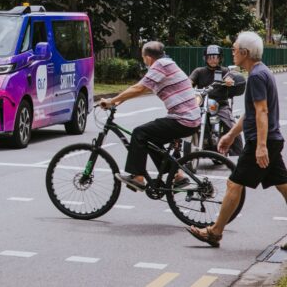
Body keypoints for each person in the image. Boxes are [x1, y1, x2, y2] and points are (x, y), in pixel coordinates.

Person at [187, 32, 287, 247]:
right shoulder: (260, 72)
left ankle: (214, 232)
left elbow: (262, 111)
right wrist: (231, 135)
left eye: (234, 49)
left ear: (245, 52)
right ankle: (215, 231)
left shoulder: (258, 76)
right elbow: (251, 112)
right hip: (270, 139)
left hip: (263, 141)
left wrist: (261, 146)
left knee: (234, 183)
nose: (231, 53)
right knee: (283, 185)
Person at [100, 41, 201, 191]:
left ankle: (138, 178)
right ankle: (178, 176)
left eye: (143, 58)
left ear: (147, 58)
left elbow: (139, 87)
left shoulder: (160, 65)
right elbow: (143, 88)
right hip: (189, 119)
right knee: (151, 141)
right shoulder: (167, 63)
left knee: (140, 133)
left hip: (183, 119)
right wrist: (118, 100)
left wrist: (111, 101)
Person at [188, 44, 242, 156]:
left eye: (215, 57)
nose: (213, 59)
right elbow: (190, 82)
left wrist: (229, 81)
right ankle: (178, 151)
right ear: (205, 58)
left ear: (220, 58)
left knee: (232, 126)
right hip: (201, 104)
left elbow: (230, 77)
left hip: (220, 105)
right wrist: (187, 86)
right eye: (210, 57)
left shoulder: (225, 71)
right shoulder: (199, 71)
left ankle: (238, 156)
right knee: (184, 119)